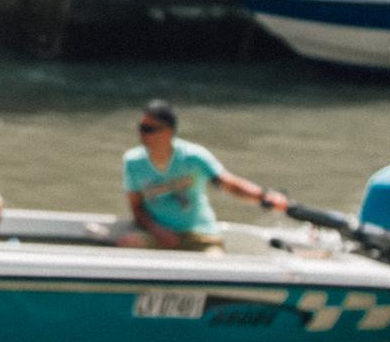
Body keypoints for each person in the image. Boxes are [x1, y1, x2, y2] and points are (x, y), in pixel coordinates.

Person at [115, 101, 289, 251]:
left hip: (200, 235)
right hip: (158, 234)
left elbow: (228, 183)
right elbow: (136, 207)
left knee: (215, 265)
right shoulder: (132, 161)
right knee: (125, 244)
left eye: (148, 129)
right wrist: (157, 231)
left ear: (167, 132)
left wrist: (263, 197)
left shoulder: (194, 157)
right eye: (140, 128)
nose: (141, 134)